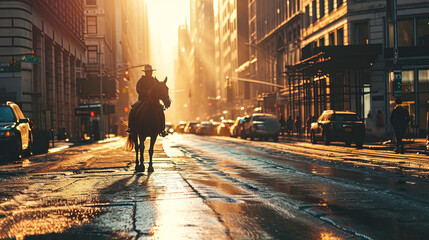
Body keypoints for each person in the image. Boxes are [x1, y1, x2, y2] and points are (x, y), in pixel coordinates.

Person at [127, 65, 168, 137]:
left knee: (161, 110)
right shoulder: (141, 80)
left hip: (153, 101)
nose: (149, 73)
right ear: (145, 73)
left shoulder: (154, 81)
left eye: (150, 72)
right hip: (142, 100)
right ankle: (131, 128)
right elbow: (138, 89)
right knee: (133, 109)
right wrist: (146, 92)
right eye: (148, 72)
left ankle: (162, 129)